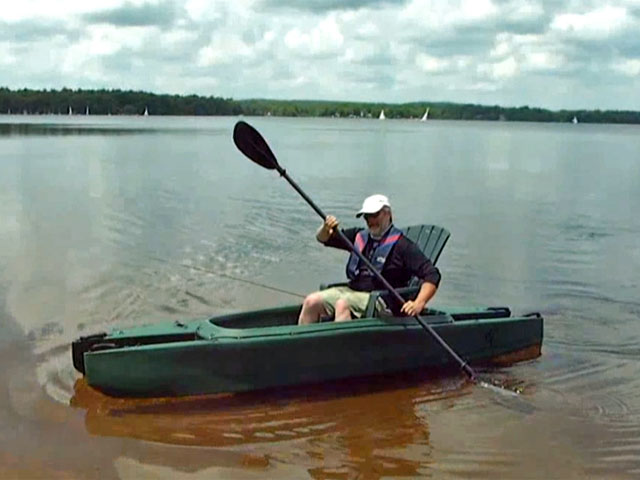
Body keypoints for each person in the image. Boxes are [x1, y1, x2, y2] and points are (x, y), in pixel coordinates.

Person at [298, 194, 441, 324]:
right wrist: (325, 227)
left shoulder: (402, 245)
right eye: (367, 217)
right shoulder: (359, 236)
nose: (370, 220)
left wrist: (418, 303)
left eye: (375, 215)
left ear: (387, 214)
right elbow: (323, 238)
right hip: (352, 291)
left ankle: (343, 350)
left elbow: (432, 275)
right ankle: (302, 348)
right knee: (311, 301)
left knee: (342, 304)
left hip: (382, 301)